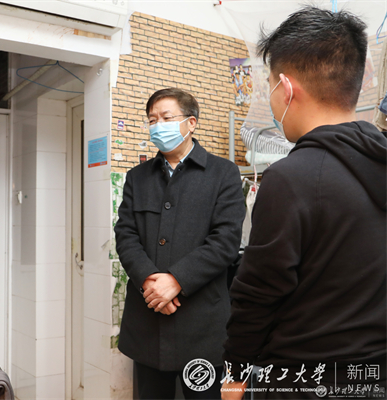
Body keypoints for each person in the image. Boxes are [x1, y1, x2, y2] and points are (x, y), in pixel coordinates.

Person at [222, 7, 386, 400]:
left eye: (269, 86)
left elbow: (258, 294)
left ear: (286, 88)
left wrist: (235, 373)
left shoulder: (291, 178)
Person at [114, 88, 245, 399]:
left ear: (191, 123)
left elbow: (226, 240)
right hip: (147, 322)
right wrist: (149, 279)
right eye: (152, 120)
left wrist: (176, 280)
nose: (158, 126)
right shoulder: (137, 177)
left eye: (166, 118)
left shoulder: (223, 173)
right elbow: (126, 234)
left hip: (202, 325)